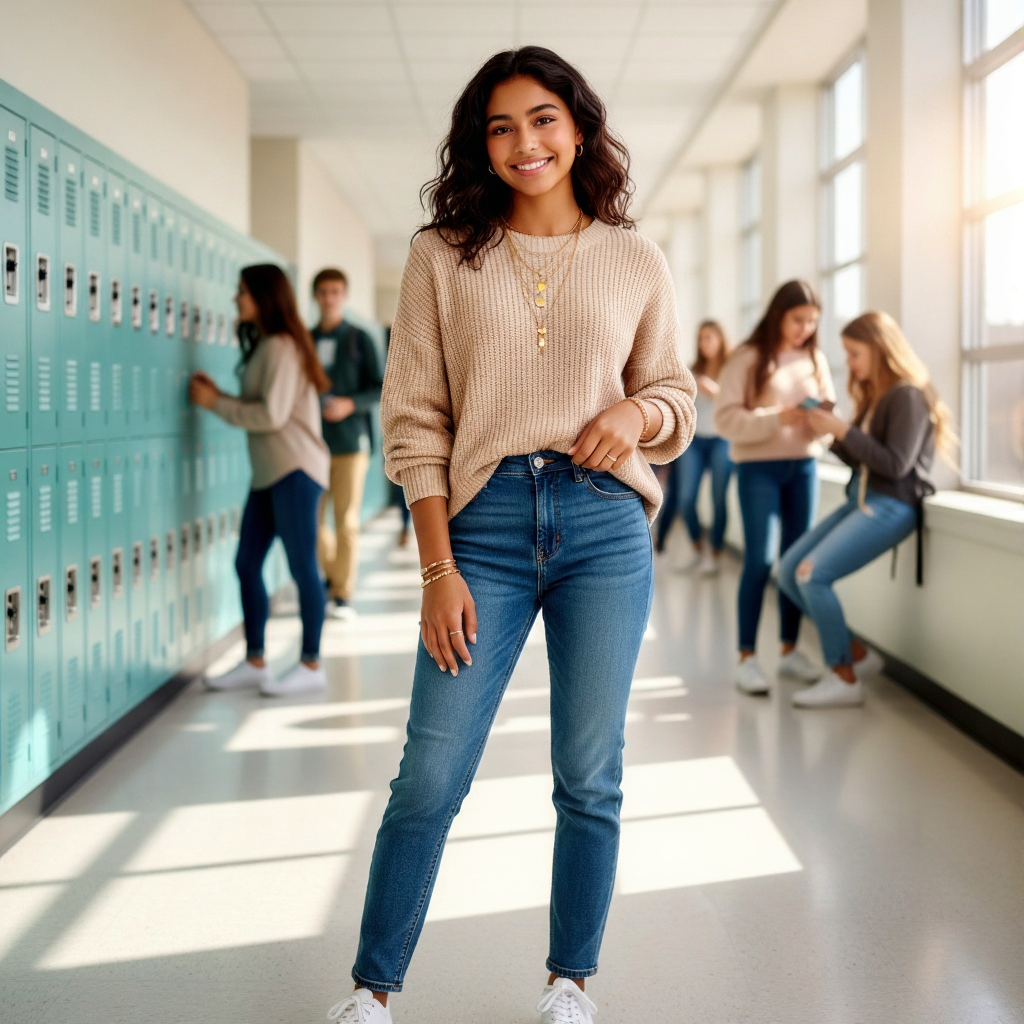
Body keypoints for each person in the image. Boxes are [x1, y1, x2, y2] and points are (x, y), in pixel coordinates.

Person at [326, 46, 696, 1024]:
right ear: (479, 146)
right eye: (499, 127)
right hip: (480, 522)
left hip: (602, 521)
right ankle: (371, 990)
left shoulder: (634, 257)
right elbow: (412, 418)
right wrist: (435, 566)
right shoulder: (440, 254)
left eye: (541, 119)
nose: (523, 142)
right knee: (431, 771)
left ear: (578, 129)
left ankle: (568, 983)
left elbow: (674, 393)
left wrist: (635, 420)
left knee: (588, 769)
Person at [776, 311, 955, 707]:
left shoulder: (907, 395)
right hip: (862, 497)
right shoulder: (878, 395)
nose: (851, 364)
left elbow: (895, 466)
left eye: (854, 354)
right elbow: (865, 460)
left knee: (812, 574)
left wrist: (841, 430)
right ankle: (855, 653)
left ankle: (843, 676)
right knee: (788, 569)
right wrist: (832, 433)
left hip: (892, 504)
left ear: (879, 349)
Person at [189, 265, 331, 697]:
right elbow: (263, 404)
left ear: (264, 297)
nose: (237, 299)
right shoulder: (270, 345)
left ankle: (311, 663)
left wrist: (215, 404)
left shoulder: (282, 346)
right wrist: (224, 397)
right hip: (271, 473)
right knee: (246, 563)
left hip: (295, 470)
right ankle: (255, 660)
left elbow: (271, 415)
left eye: (243, 292)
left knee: (302, 566)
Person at [714, 280, 836, 697]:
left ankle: (789, 651)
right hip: (758, 470)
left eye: (812, 322)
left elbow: (829, 417)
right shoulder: (747, 358)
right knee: (760, 561)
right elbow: (726, 421)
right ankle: (746, 658)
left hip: (803, 467)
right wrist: (776, 418)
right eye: (798, 319)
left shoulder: (815, 358)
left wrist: (817, 423)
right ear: (779, 315)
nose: (804, 328)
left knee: (795, 562)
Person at [311, 268, 384, 621]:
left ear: (344, 295)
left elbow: (380, 387)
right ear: (315, 296)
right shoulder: (305, 340)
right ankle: (331, 576)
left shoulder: (358, 339)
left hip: (351, 443)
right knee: (312, 520)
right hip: (312, 444)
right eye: (323, 292)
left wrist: (350, 404)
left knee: (347, 521)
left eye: (335, 292)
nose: (329, 298)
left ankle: (342, 594)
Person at [656, 319, 733, 575]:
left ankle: (714, 554)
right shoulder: (692, 370)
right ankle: (698, 548)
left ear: (721, 339)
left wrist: (716, 392)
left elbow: (738, 406)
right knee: (686, 499)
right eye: (701, 338)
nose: (705, 343)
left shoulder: (731, 370)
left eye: (710, 337)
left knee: (718, 499)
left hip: (722, 439)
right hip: (695, 441)